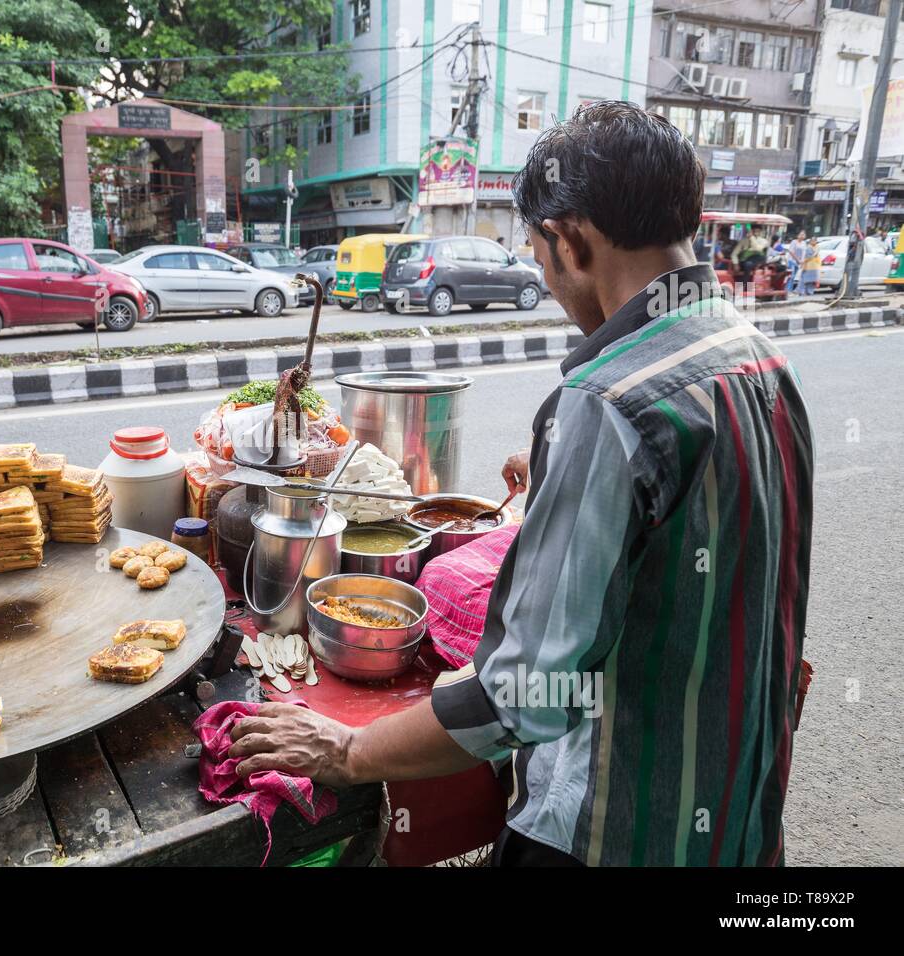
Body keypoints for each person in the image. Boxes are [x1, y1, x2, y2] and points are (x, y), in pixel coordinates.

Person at [229, 102, 814, 867]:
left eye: (538, 255)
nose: (544, 276)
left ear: (570, 240)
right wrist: (585, 481)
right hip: (741, 817)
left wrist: (347, 748)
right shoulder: (760, 358)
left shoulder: (605, 405)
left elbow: (519, 696)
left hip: (614, 834)